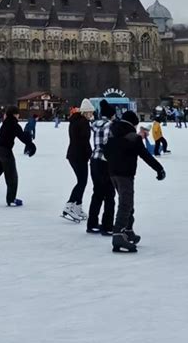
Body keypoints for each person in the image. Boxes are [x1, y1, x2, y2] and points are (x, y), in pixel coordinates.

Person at [103, 110, 165, 252]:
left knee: (127, 202)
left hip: (112, 173)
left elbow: (106, 152)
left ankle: (128, 230)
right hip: (125, 174)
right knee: (126, 203)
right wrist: (159, 169)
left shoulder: (112, 133)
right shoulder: (133, 137)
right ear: (134, 123)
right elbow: (145, 156)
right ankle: (118, 233)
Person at [0, 105, 36, 206]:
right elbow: (22, 136)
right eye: (18, 114)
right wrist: (31, 145)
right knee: (12, 175)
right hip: (5, 151)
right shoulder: (13, 124)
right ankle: (11, 199)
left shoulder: (5, 123)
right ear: (15, 114)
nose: (18, 116)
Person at [62, 98, 94, 222]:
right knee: (81, 182)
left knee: (82, 181)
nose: (92, 114)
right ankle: (70, 205)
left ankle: (77, 206)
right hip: (79, 155)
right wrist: (90, 154)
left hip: (74, 155)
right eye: (90, 112)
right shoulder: (83, 122)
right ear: (85, 112)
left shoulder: (75, 121)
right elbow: (84, 141)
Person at [86, 99, 115, 235]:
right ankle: (107, 225)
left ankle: (92, 224)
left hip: (94, 160)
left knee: (97, 193)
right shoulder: (109, 125)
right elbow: (107, 143)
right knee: (109, 194)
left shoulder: (95, 124)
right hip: (105, 161)